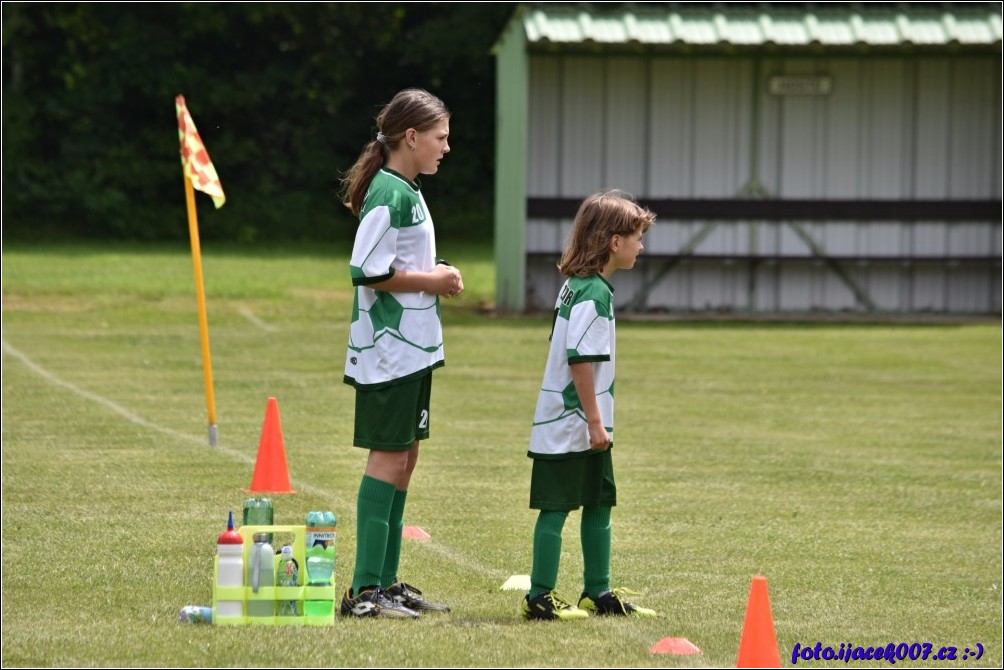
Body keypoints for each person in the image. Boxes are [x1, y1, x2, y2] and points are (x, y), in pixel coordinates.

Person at [337, 88, 463, 619]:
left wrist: (430, 277)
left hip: (412, 351)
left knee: (405, 458)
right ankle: (364, 591)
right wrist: (433, 280)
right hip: (390, 352)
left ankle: (386, 583)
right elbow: (367, 268)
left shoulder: (404, 188)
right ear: (410, 137)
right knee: (388, 457)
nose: (446, 148)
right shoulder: (390, 193)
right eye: (440, 138)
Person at [522, 189, 658, 621]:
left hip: (585, 422)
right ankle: (539, 596)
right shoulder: (593, 294)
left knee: (599, 501)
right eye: (637, 236)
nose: (642, 245)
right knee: (557, 506)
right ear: (614, 242)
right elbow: (580, 362)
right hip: (571, 423)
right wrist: (595, 424)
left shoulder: (581, 286)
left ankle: (596, 591)